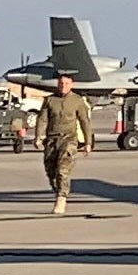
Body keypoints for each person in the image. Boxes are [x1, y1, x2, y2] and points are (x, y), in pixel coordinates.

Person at [38, 73, 96, 215]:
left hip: (69, 139)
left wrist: (88, 142)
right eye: (61, 83)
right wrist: (38, 136)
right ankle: (58, 191)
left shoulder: (77, 101)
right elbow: (43, 119)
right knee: (51, 172)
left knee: (63, 170)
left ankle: (61, 199)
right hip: (51, 140)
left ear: (72, 84)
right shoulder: (50, 100)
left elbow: (84, 121)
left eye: (66, 83)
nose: (63, 86)